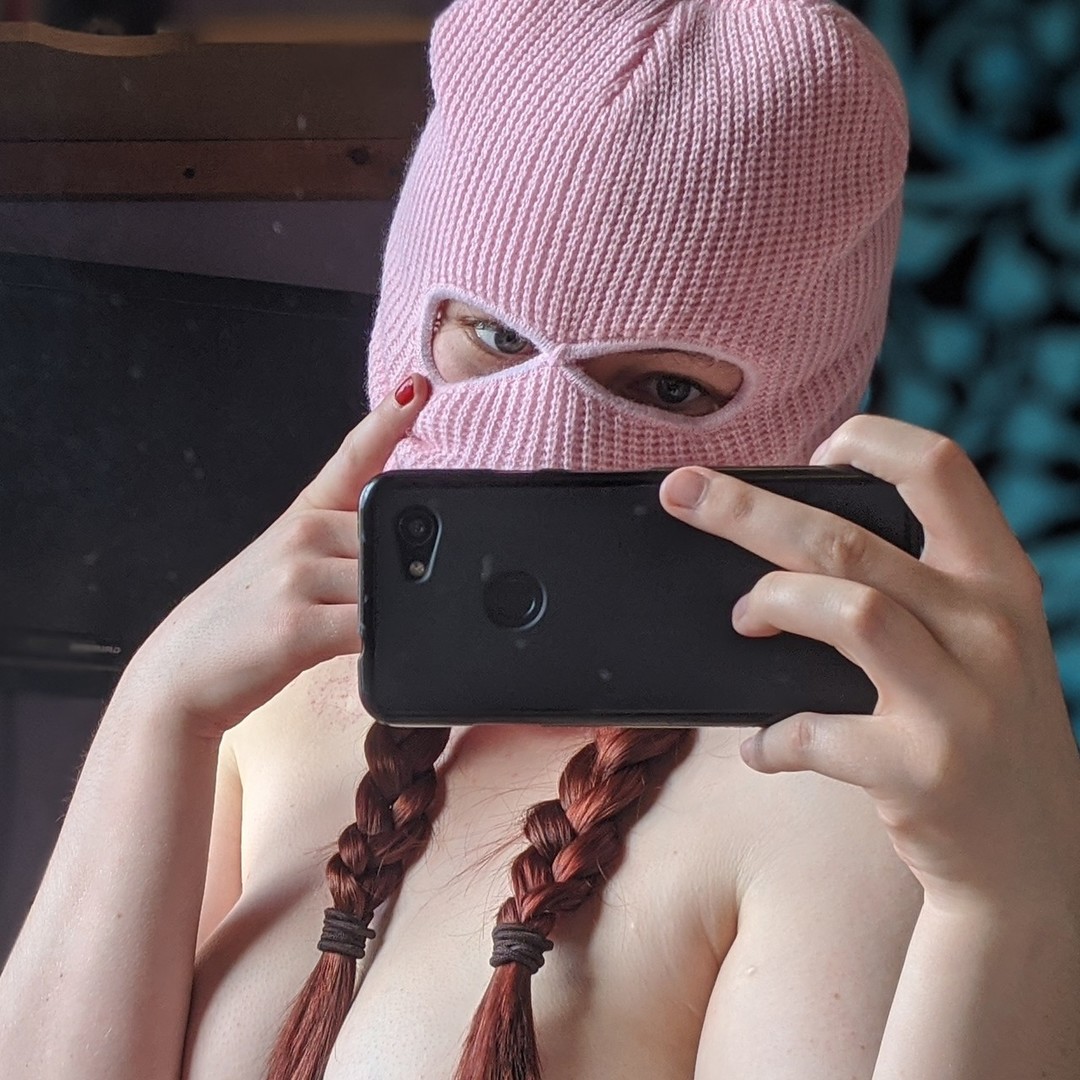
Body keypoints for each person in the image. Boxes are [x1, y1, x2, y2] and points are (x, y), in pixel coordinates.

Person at [2, 1, 1079, 1078]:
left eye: (666, 385)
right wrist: (160, 705)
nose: (549, 447)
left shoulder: (825, 788)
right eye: (496, 335)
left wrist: (1008, 901)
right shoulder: (270, 705)